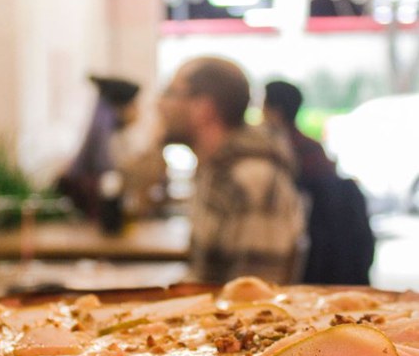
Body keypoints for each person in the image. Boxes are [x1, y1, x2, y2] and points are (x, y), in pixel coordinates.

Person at [160, 57, 304, 284]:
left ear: (204, 107)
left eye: (171, 93)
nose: (159, 103)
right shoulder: (215, 169)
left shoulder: (251, 179)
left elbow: (253, 295)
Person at [263, 80, 374, 284]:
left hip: (302, 254)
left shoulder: (274, 153)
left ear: (274, 111)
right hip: (329, 254)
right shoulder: (313, 148)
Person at [58, 74, 166, 218]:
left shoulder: (123, 138)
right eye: (134, 105)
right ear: (120, 109)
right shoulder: (108, 144)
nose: (138, 111)